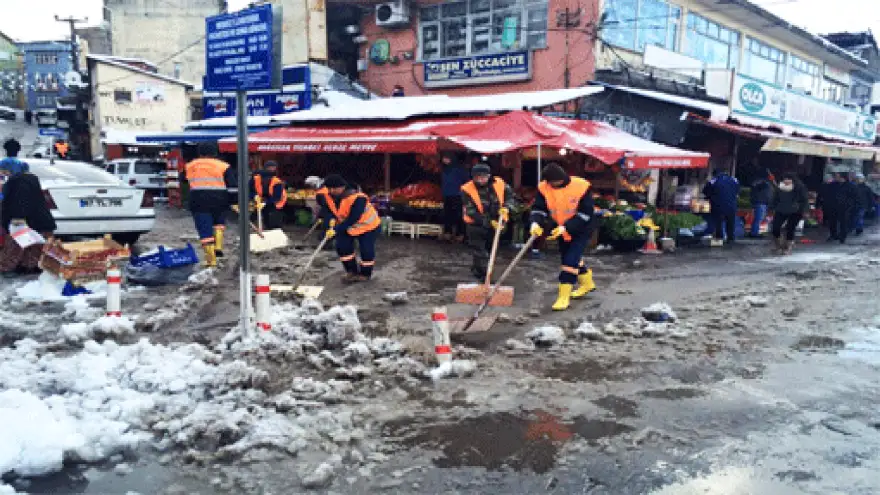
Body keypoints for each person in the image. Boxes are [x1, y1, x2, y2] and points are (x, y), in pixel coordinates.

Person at [529, 163, 597, 311]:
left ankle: (563, 296)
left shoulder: (581, 186)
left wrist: (567, 227)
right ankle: (587, 283)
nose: (554, 185)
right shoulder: (543, 188)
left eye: (557, 182)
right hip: (560, 227)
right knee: (570, 256)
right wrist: (535, 223)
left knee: (569, 261)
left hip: (582, 228)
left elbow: (586, 213)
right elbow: (539, 209)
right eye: (552, 183)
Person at [183, 142, 237, 267]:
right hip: (220, 199)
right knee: (219, 224)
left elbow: (183, 180)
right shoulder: (224, 166)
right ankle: (218, 246)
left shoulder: (190, 165)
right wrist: (234, 202)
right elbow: (233, 187)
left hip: (198, 200)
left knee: (205, 230)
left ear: (199, 152)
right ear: (215, 152)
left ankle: (211, 261)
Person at [321, 175, 381, 283]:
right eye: (329, 189)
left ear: (342, 187)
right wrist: (330, 224)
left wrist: (337, 229)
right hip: (348, 227)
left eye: (333, 188)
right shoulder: (331, 197)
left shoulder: (358, 197)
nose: (331, 191)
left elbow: (354, 217)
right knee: (342, 246)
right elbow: (329, 211)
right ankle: (351, 271)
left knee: (366, 250)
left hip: (368, 226)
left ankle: (365, 274)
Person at [460, 163, 515, 280]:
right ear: (473, 177)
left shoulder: (500, 184)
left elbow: (510, 197)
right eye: (477, 177)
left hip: (496, 223)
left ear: (489, 176)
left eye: (483, 177)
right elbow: (471, 211)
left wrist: (507, 207)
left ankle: (478, 271)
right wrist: (489, 222)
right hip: (476, 225)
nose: (480, 180)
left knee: (490, 251)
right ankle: (485, 278)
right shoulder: (467, 189)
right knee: (480, 252)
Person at [0, 169, 55, 275]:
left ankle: (13, 268)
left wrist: (15, 220)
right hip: (39, 222)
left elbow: (19, 204)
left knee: (16, 247)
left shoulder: (17, 183)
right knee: (36, 251)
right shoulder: (27, 180)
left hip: (23, 224)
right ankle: (31, 267)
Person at [770, 173, 809, 255]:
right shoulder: (780, 187)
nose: (786, 181)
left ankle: (788, 247)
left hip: (795, 211)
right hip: (781, 209)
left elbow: (805, 200)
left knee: (790, 228)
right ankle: (779, 245)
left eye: (788, 179)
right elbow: (775, 198)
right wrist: (772, 207)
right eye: (784, 179)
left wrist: (805, 211)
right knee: (775, 228)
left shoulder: (799, 187)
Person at [702, 168, 740, 245]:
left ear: (715, 174)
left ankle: (720, 238)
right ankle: (731, 239)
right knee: (730, 223)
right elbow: (737, 191)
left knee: (718, 223)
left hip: (718, 206)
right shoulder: (734, 180)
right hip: (731, 206)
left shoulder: (713, 181)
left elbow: (705, 192)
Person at [249, 160, 287, 230]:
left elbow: (276, 198)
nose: (272, 169)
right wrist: (254, 196)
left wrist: (265, 203)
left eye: (273, 168)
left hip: (274, 203)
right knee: (254, 217)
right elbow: (249, 190)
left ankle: (270, 228)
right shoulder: (255, 178)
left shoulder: (276, 181)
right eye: (270, 167)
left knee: (272, 221)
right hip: (260, 200)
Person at [441, 153, 468, 242]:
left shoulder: (460, 169)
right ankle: (447, 233)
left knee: (459, 215)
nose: (444, 160)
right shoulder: (445, 169)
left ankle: (460, 234)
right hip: (447, 194)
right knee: (447, 214)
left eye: (446, 158)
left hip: (458, 195)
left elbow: (466, 180)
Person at [830, 173, 857, 244]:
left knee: (843, 222)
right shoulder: (834, 185)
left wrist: (850, 205)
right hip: (834, 206)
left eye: (837, 176)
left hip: (845, 207)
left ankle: (842, 236)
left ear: (842, 178)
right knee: (833, 221)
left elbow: (854, 197)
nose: (836, 178)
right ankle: (833, 235)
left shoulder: (850, 186)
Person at [749, 171, 773, 237]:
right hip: (760, 202)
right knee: (758, 218)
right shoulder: (762, 182)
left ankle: (754, 232)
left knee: (759, 218)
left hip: (762, 202)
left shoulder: (761, 182)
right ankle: (754, 233)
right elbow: (761, 188)